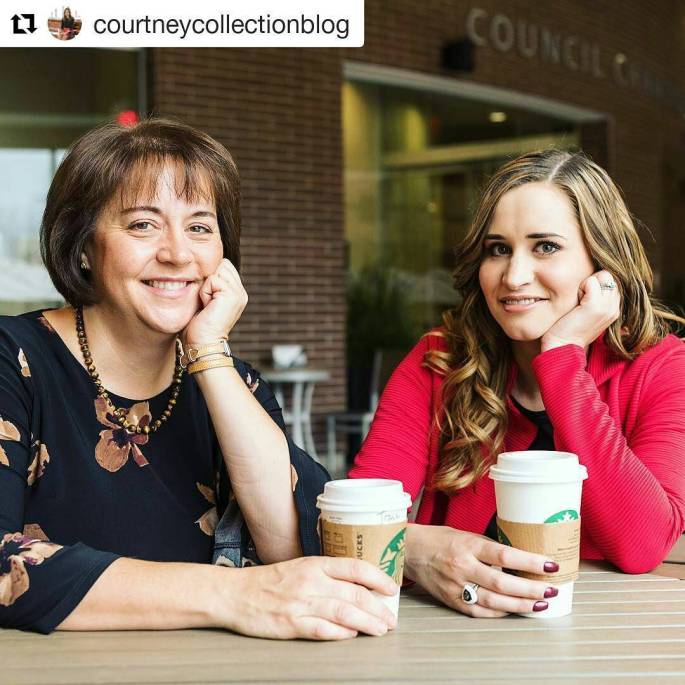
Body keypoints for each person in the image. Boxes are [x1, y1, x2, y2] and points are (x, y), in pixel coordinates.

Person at [0, 118, 398, 638]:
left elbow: (292, 546)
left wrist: (209, 353)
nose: (178, 254)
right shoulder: (14, 361)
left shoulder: (233, 383)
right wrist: (236, 595)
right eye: (143, 225)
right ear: (82, 246)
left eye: (200, 228)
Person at [350, 149, 685, 617]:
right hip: (449, 631)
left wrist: (562, 356)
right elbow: (358, 522)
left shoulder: (663, 367)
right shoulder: (440, 360)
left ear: (603, 264)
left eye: (545, 246)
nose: (513, 276)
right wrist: (419, 550)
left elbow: (642, 544)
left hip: (603, 630)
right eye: (498, 249)